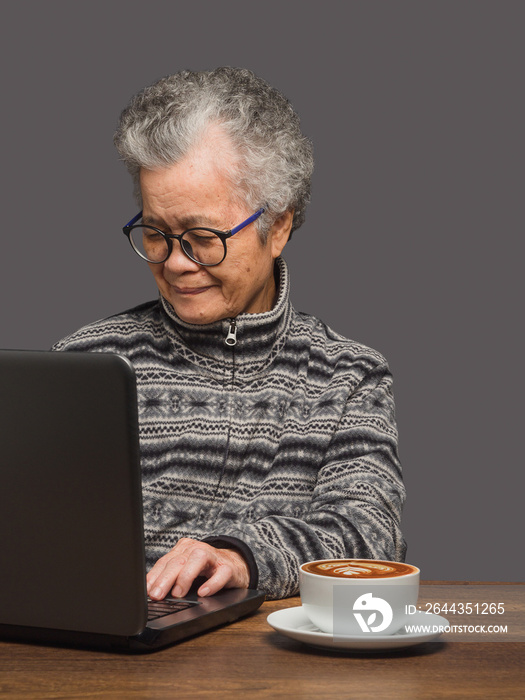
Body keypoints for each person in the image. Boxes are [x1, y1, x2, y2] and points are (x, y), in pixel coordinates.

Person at [53, 67, 406, 601]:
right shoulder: (85, 363)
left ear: (278, 228)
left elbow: (372, 538)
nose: (175, 263)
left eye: (201, 237)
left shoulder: (348, 377)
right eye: (155, 234)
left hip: (273, 675)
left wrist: (241, 557)